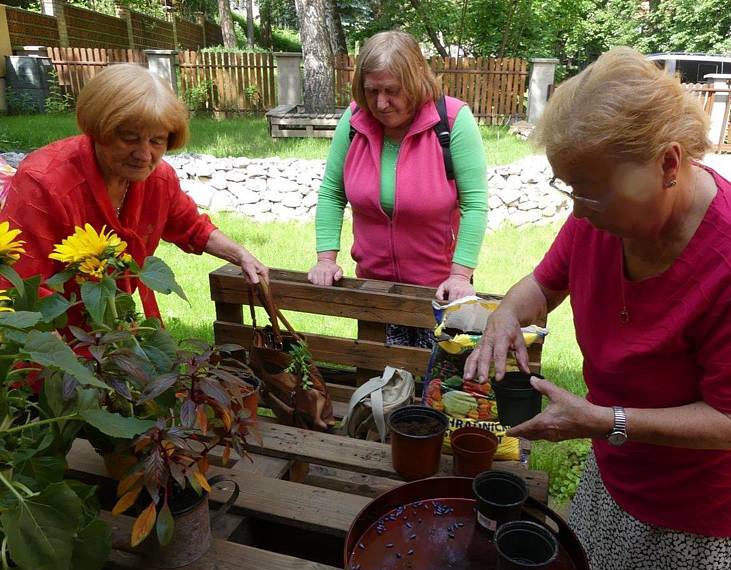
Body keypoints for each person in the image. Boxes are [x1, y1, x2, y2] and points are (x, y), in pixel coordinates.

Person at [465, 47, 731, 570]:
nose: (576, 209)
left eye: (590, 190)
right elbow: (544, 284)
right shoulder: (602, 219)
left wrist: (603, 420)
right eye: (568, 187)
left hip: (710, 511)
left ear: (669, 163)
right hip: (619, 464)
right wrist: (504, 313)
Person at [0, 64, 268, 322]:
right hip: (50, 333)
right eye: (129, 138)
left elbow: (191, 227)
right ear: (98, 129)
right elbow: (22, 288)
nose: (143, 155)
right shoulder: (44, 182)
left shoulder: (158, 179)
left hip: (112, 329)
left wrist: (240, 255)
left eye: (156, 140)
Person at [308, 30, 488, 348]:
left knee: (434, 390)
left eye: (392, 91)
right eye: (372, 90)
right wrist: (326, 259)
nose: (381, 103)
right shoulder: (354, 121)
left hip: (440, 290)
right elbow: (332, 193)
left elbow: (475, 205)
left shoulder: (453, 120)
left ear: (416, 80)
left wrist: (460, 276)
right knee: (382, 382)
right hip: (374, 291)